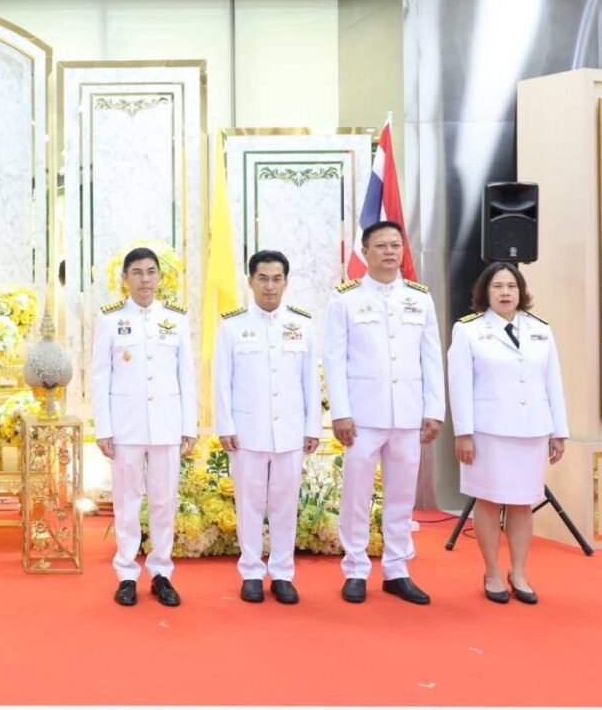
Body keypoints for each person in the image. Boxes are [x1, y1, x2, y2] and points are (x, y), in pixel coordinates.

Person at [324, 220, 445, 605]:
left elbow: (431, 357)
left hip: (407, 414)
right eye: (381, 245)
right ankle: (355, 569)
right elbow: (334, 360)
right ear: (365, 252)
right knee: (356, 496)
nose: (390, 251)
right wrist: (341, 412)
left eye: (395, 245)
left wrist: (434, 409)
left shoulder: (419, 298)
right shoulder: (345, 299)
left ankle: (397, 569)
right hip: (362, 416)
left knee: (401, 496)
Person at [448, 262, 568, 604]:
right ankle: (492, 571)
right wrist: (463, 433)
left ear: (521, 292)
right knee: (488, 501)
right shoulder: (469, 330)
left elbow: (553, 382)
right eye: (498, 286)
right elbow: (459, 385)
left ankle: (519, 571)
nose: (505, 292)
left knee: (522, 504)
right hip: (489, 432)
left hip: (531, 430)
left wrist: (558, 431)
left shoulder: (541, 330)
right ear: (485, 292)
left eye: (511, 286)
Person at [213, 250, 321, 605]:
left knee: (285, 506)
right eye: (263, 278)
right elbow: (222, 380)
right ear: (250, 281)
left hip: (290, 431)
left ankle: (283, 573)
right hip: (247, 431)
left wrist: (313, 427)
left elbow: (310, 381)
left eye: (277, 279)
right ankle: (251, 573)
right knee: (249, 505)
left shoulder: (302, 325)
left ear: (286, 282)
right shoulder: (233, 326)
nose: (270, 286)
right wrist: (225, 425)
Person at [91, 247, 197, 608]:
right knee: (127, 501)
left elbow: (186, 375)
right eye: (137, 272)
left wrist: (189, 426)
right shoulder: (111, 319)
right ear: (125, 279)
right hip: (127, 426)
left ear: (160, 278)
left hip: (167, 425)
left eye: (151, 272)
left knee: (164, 501)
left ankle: (161, 572)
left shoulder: (176, 319)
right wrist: (104, 429)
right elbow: (100, 376)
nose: (145, 279)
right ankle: (126, 574)